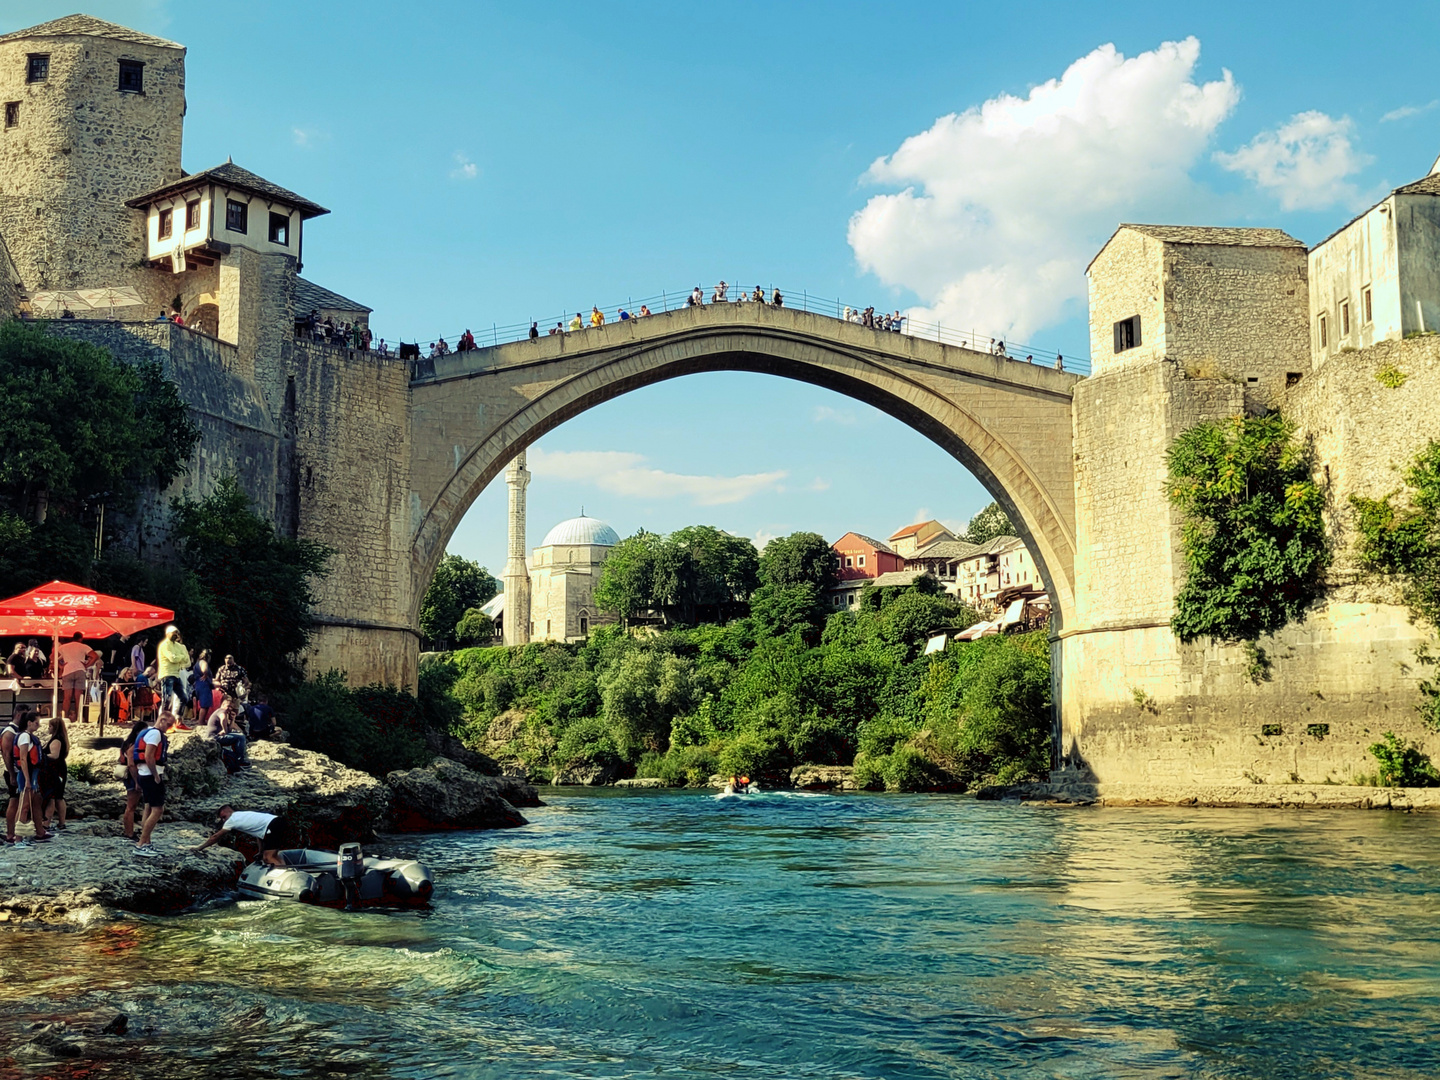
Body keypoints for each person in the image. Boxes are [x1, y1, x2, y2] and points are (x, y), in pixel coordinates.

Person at [132, 711, 176, 857]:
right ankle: (140, 844)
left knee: (148, 808)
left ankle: (146, 843)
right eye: (168, 724)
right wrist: (156, 775)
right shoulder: (155, 734)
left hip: (144, 774)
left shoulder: (146, 731)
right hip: (151, 775)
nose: (169, 728)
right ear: (162, 720)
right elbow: (149, 756)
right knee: (158, 810)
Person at [195, 806, 289, 867]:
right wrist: (260, 852)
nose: (224, 820)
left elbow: (216, 836)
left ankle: (285, 876)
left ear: (229, 812)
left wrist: (200, 848)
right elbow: (259, 834)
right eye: (222, 819)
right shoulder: (242, 815)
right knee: (274, 855)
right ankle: (286, 871)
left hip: (272, 825)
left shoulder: (232, 820)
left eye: (224, 817)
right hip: (277, 822)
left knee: (268, 857)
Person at [12, 709, 52, 843]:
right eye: (36, 723)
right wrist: (28, 780)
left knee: (36, 802)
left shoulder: (28, 736)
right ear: (29, 723)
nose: (38, 725)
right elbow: (23, 758)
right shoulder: (24, 737)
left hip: (32, 775)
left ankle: (40, 832)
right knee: (24, 807)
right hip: (26, 775)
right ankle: (17, 838)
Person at [56, 631, 97, 724]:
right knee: (79, 697)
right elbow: (95, 656)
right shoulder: (84, 646)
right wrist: (86, 665)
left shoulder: (63, 647)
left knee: (67, 697)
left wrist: (61, 666)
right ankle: (79, 718)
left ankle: (64, 718)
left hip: (67, 671)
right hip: (80, 670)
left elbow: (52, 657)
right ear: (81, 638)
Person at [118, 718, 147, 842]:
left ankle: (129, 831)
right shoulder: (134, 745)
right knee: (131, 806)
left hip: (129, 776)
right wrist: (137, 781)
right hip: (132, 776)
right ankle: (129, 833)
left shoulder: (126, 743)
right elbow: (131, 764)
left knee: (131, 806)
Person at [157, 625, 191, 728]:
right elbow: (173, 659)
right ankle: (162, 724)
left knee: (183, 698)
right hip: (167, 674)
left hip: (176, 675)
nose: (176, 634)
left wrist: (179, 658)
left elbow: (188, 661)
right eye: (174, 632)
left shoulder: (178, 646)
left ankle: (178, 721)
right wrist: (182, 657)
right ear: (168, 634)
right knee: (166, 700)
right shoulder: (164, 645)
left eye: (177, 633)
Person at [205, 697, 251, 770]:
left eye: (231, 707)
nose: (229, 708)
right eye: (228, 706)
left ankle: (236, 758)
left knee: (238, 736)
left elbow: (229, 730)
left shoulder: (223, 712)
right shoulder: (221, 711)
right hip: (214, 737)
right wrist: (223, 729)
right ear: (222, 705)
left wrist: (232, 720)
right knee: (240, 737)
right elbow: (222, 718)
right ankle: (240, 760)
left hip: (216, 736)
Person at [40, 715, 68, 831]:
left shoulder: (56, 740)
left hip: (55, 771)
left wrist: (41, 756)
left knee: (52, 797)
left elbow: (54, 755)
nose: (48, 728)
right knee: (58, 797)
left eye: (50, 726)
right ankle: (61, 822)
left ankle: (46, 822)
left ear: (54, 727)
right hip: (58, 770)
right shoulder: (61, 738)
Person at [3, 708, 25, 845]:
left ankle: (16, 832)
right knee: (14, 801)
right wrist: (12, 774)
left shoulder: (17, 731)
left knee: (18, 801)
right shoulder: (9, 732)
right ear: (18, 714)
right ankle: (10, 833)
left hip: (18, 771)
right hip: (13, 772)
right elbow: (6, 755)